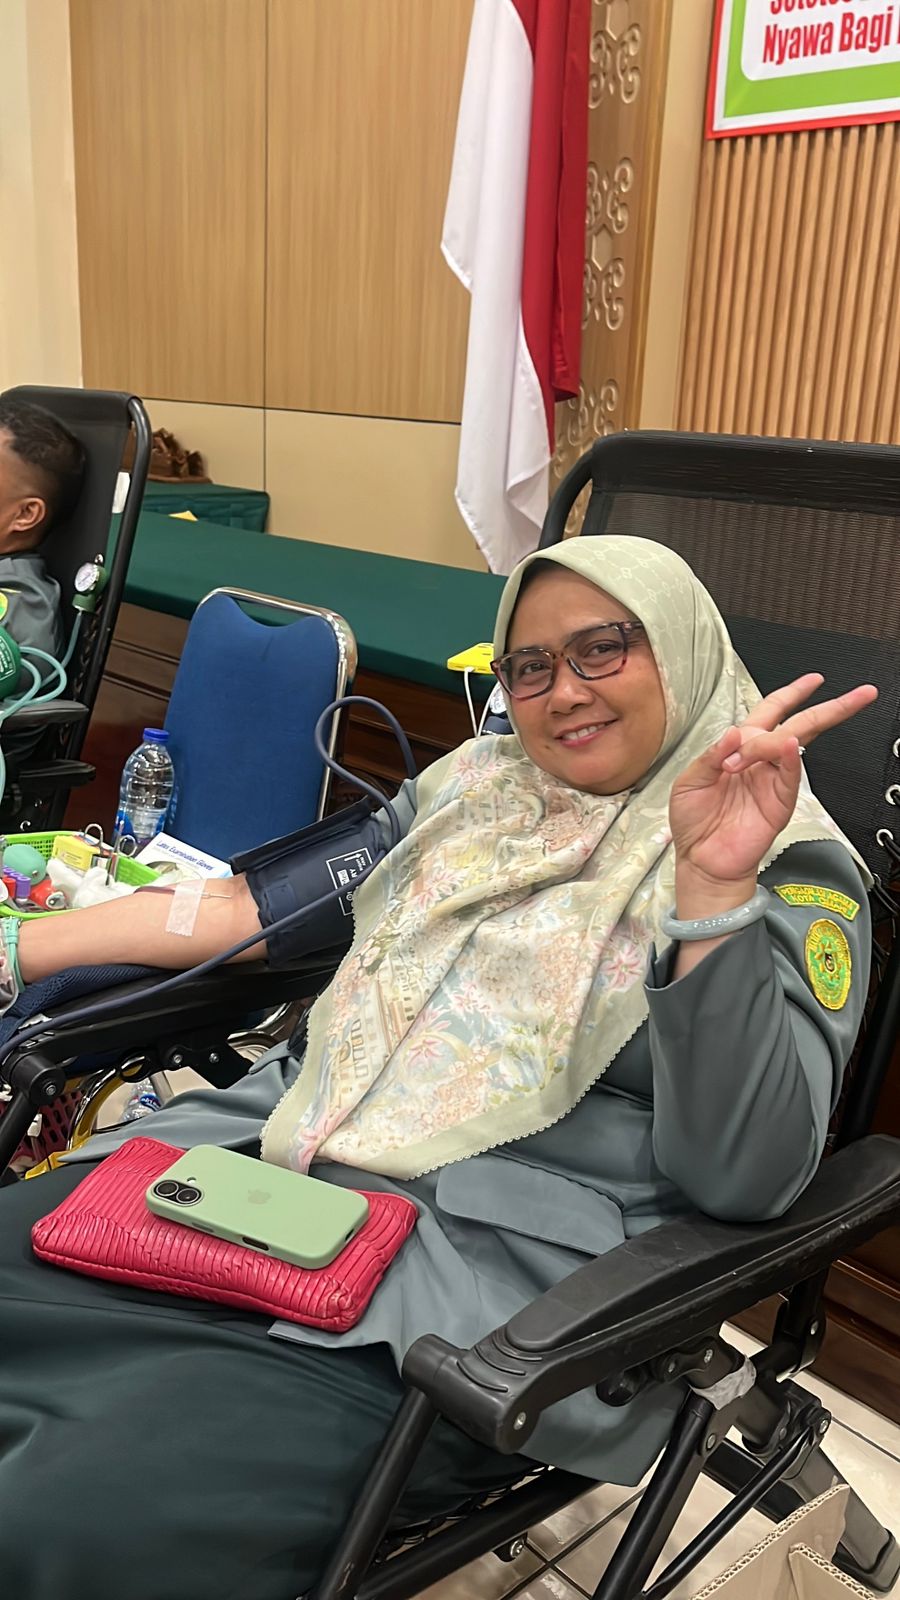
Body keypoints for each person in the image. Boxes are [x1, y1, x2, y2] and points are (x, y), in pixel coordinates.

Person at [0, 536, 878, 1600]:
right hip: (246, 1178)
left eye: (605, 648)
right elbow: (254, 908)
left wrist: (711, 895)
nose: (564, 691)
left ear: (683, 649)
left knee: (56, 1520)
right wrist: (20, 945)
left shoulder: (787, 870)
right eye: (530, 665)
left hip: (460, 1301)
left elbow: (749, 1178)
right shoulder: (472, 791)